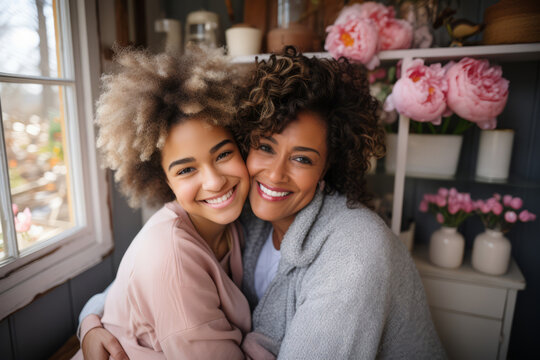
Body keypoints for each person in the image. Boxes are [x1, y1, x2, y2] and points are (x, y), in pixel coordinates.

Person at [79, 47, 445, 359]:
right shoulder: (243, 215)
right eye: (266, 147)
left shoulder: (353, 253)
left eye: (302, 159)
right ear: (247, 141)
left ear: (327, 165)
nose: (275, 174)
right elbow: (148, 279)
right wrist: (90, 322)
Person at [72, 47, 254, 359]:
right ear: (163, 181)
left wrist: (88, 322)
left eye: (223, 154)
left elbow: (116, 292)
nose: (214, 182)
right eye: (186, 170)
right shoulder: (171, 257)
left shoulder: (232, 225)